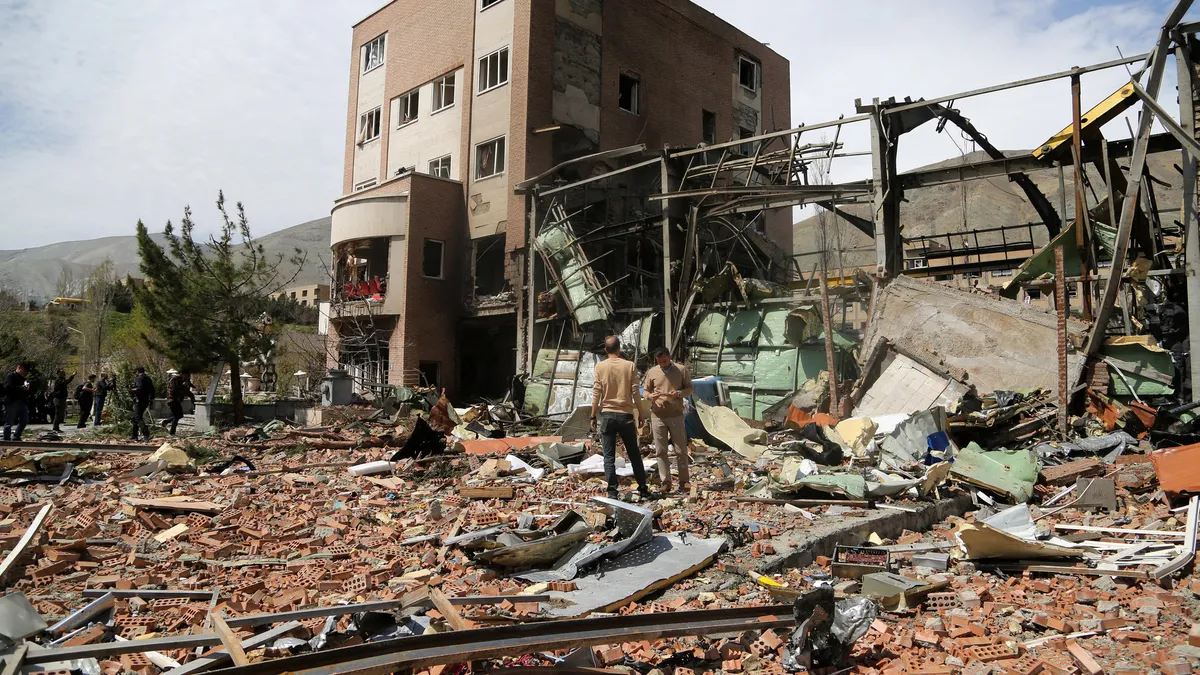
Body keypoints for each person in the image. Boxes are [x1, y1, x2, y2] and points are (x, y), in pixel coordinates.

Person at [590, 335, 654, 502]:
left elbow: (596, 392)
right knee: (633, 454)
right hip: (625, 415)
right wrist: (640, 413)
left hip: (607, 415)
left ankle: (612, 493)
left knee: (608, 456)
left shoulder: (600, 367)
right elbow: (635, 392)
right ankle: (643, 489)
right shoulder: (629, 366)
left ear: (606, 349)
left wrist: (592, 414)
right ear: (619, 349)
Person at [643, 347, 694, 493]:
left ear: (669, 357)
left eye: (665, 361)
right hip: (658, 416)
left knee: (681, 450)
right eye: (659, 362)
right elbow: (645, 390)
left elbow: (690, 389)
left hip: (676, 415)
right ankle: (666, 482)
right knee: (661, 451)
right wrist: (649, 396)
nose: (663, 365)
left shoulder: (681, 370)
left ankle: (684, 482)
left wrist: (678, 393)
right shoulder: (652, 372)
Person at [3, 364, 31, 441]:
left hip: (22, 401)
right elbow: (7, 388)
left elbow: (25, 392)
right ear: (19, 368)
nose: (25, 372)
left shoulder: (23, 379)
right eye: (24, 370)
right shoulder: (11, 376)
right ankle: (7, 438)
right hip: (12, 401)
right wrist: (21, 388)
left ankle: (17, 435)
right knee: (9, 421)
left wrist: (26, 390)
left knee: (25, 420)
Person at [166, 371, 195, 436]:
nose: (187, 377)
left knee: (180, 415)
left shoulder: (183, 379)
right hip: (172, 399)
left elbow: (189, 386)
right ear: (182, 374)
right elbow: (174, 389)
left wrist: (189, 384)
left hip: (177, 400)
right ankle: (172, 432)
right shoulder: (174, 379)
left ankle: (167, 421)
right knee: (176, 416)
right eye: (187, 375)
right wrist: (183, 385)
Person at [129, 366, 154, 441]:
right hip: (146, 400)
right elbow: (152, 389)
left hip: (139, 400)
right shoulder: (148, 378)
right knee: (134, 417)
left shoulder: (139, 378)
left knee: (137, 417)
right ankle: (134, 435)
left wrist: (132, 389)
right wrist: (152, 398)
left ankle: (147, 434)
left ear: (137, 371)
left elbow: (139, 389)